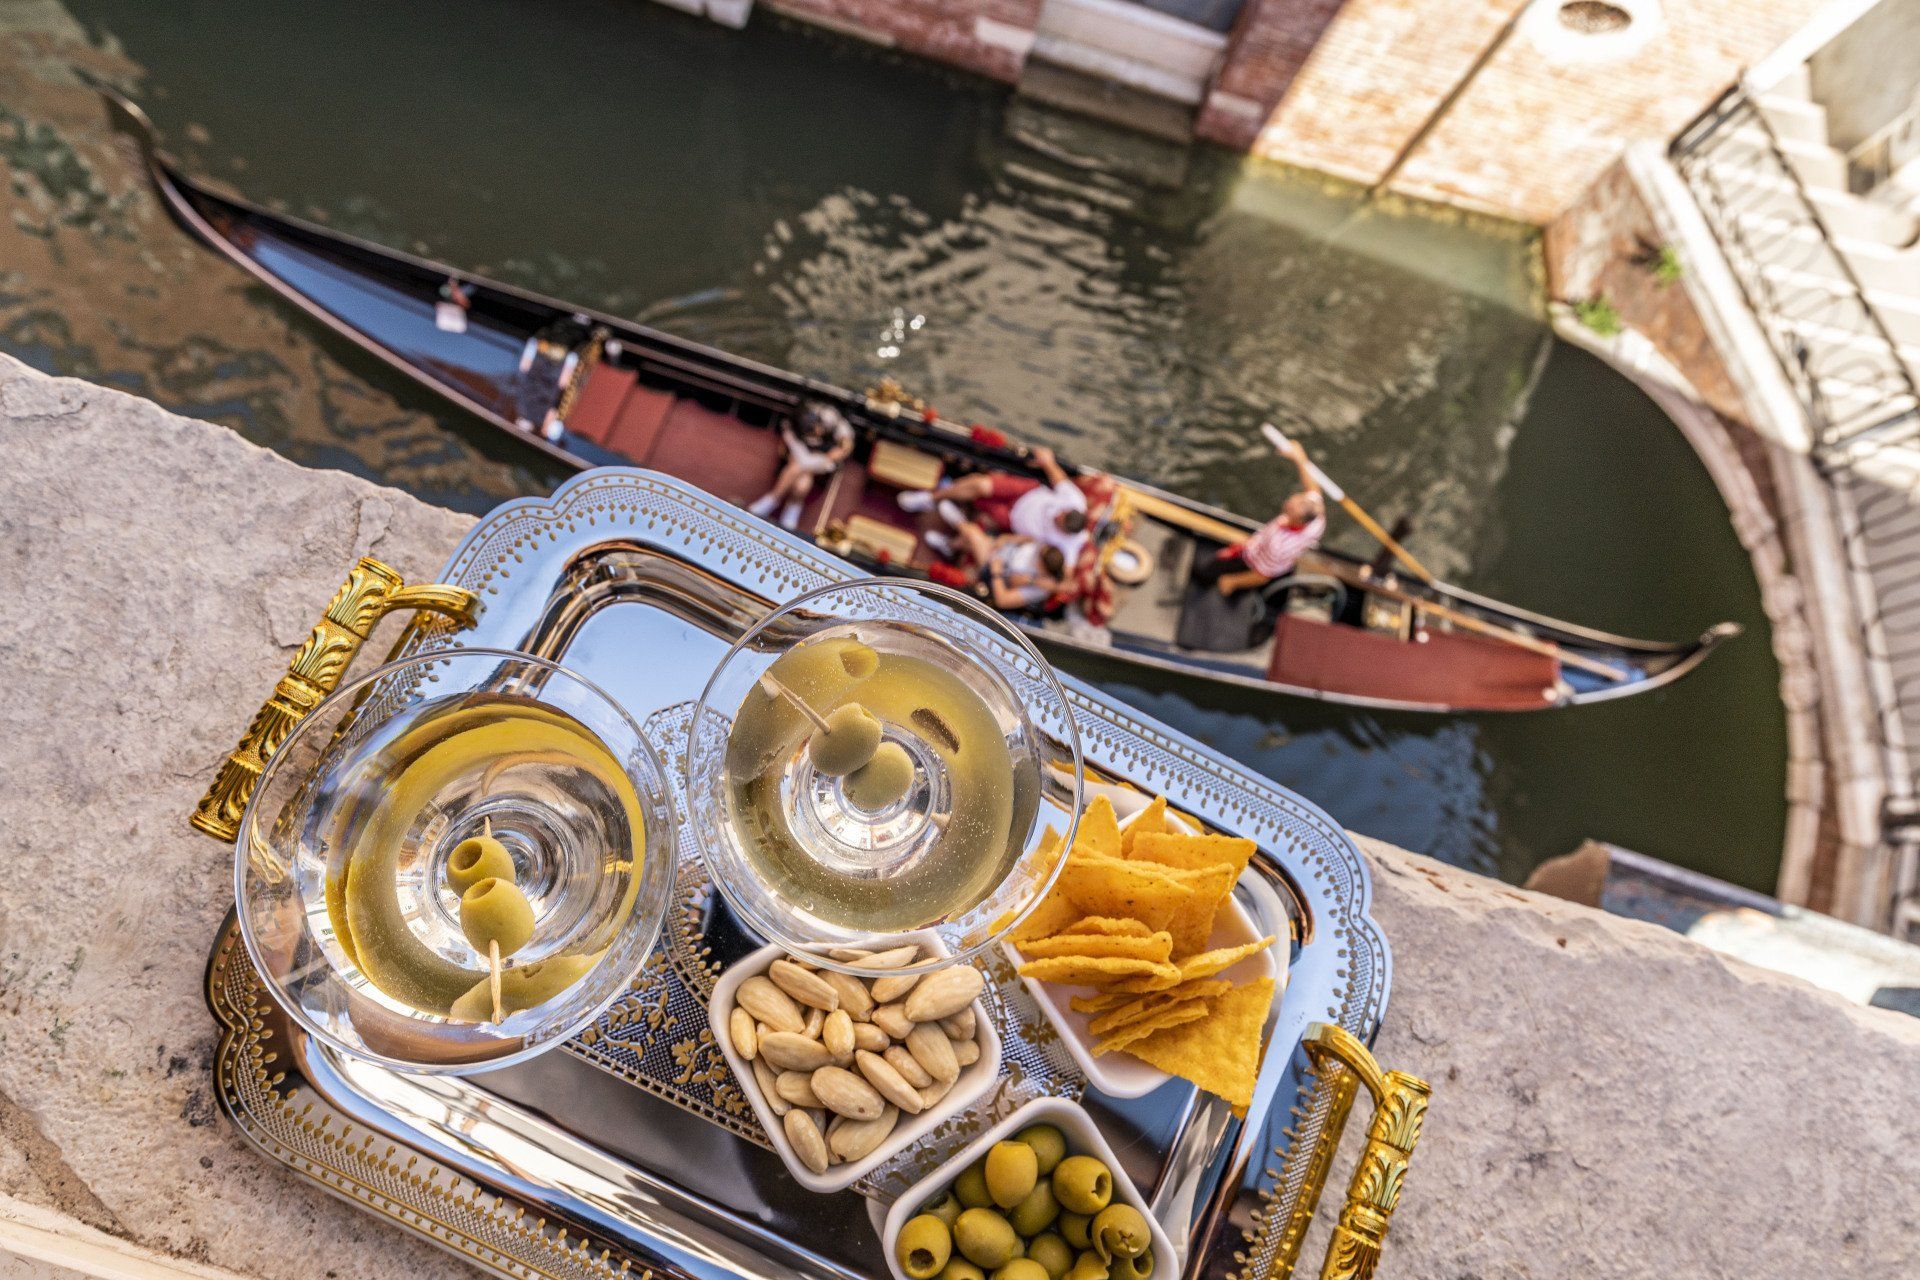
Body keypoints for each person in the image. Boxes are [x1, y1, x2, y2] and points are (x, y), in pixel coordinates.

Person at [898, 445, 1089, 561]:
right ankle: (932, 498)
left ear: (1064, 531)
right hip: (1026, 492)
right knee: (980, 485)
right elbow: (1058, 478)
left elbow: (1065, 575)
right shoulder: (1076, 501)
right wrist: (1048, 461)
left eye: (1058, 521)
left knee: (983, 512)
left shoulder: (1068, 547)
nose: (1056, 516)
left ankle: (953, 531)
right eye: (1060, 513)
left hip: (1010, 520)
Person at [1196, 437, 1325, 596]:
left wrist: (1232, 581)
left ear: (1297, 519)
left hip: (1253, 561)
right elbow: (1313, 488)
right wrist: (1300, 458)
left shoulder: (1278, 545)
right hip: (1265, 551)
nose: (1287, 502)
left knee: (1204, 572)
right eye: (1296, 499)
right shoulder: (1317, 519)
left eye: (1289, 508)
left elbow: (1262, 575)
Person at [749, 401, 855, 531]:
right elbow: (797, 452)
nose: (818, 432)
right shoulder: (795, 425)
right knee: (802, 481)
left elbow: (845, 446)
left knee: (799, 468)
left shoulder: (835, 423)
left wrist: (832, 455)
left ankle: (772, 499)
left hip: (821, 460)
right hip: (798, 456)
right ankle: (792, 506)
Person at [927, 517, 1067, 611]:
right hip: (997, 550)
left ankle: (954, 529)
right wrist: (1004, 540)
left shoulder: (1038, 587)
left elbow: (1002, 600)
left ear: (1044, 568)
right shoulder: (1042, 547)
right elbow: (1018, 539)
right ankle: (951, 544)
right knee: (975, 540)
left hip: (993, 573)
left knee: (973, 535)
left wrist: (996, 573)